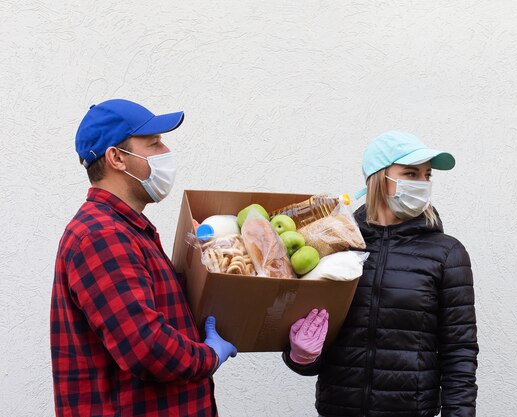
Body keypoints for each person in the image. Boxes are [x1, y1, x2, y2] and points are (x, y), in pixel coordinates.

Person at [50, 99, 237, 417]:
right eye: (154, 143)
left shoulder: (128, 230)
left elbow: (154, 311)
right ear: (117, 158)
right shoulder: (100, 235)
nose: (166, 152)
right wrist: (209, 356)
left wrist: (203, 262)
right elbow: (145, 346)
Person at [283, 131, 479, 417]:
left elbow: (459, 352)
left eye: (427, 175)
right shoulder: (338, 244)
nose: (422, 183)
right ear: (379, 178)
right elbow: (310, 334)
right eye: (411, 173)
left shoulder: (447, 253)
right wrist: (301, 356)